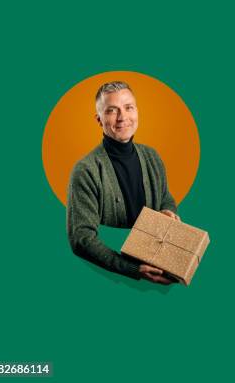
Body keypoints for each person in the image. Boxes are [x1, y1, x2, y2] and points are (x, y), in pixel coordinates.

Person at [67, 81, 179, 285]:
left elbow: (165, 197)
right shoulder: (86, 170)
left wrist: (167, 211)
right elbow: (81, 238)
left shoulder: (152, 156)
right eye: (112, 110)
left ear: (137, 111)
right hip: (106, 281)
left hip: (158, 269)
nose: (123, 117)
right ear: (99, 119)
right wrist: (131, 268)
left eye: (129, 107)